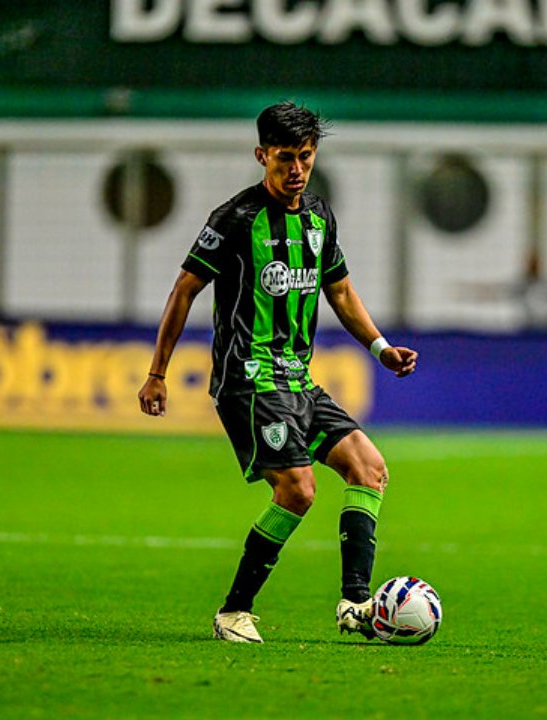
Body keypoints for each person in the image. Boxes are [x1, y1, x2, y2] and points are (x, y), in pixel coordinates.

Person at [137, 102, 418, 644]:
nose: (296, 169)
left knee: (369, 467)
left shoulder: (318, 217)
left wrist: (379, 346)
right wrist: (157, 373)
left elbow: (339, 290)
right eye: (285, 157)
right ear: (261, 154)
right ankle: (233, 612)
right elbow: (185, 290)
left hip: (298, 380)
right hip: (248, 381)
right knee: (298, 489)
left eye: (305, 157)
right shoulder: (235, 219)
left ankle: (357, 604)